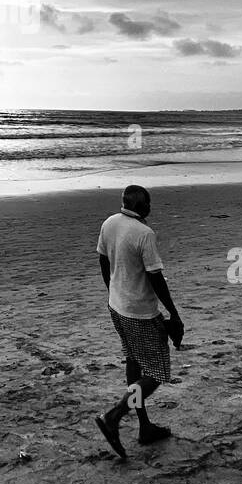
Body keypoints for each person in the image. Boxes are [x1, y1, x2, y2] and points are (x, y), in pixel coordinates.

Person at [93, 185, 182, 459]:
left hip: (117, 306)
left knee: (134, 363)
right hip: (139, 312)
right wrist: (173, 314)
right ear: (143, 207)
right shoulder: (144, 234)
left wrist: (112, 288)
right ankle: (115, 415)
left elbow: (102, 259)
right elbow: (156, 279)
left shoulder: (110, 223)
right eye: (148, 203)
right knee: (156, 373)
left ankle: (144, 427)